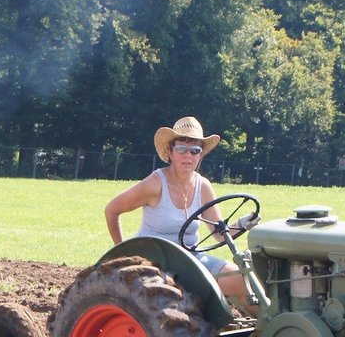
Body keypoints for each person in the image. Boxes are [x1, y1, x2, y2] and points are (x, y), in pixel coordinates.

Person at [104, 116, 258, 314]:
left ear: (200, 155)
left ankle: (263, 335)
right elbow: (112, 210)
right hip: (156, 263)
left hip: (191, 260)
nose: (188, 156)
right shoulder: (155, 183)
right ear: (170, 152)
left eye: (195, 151)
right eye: (181, 149)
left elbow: (219, 234)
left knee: (240, 279)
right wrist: (122, 254)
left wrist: (243, 223)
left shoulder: (203, 186)